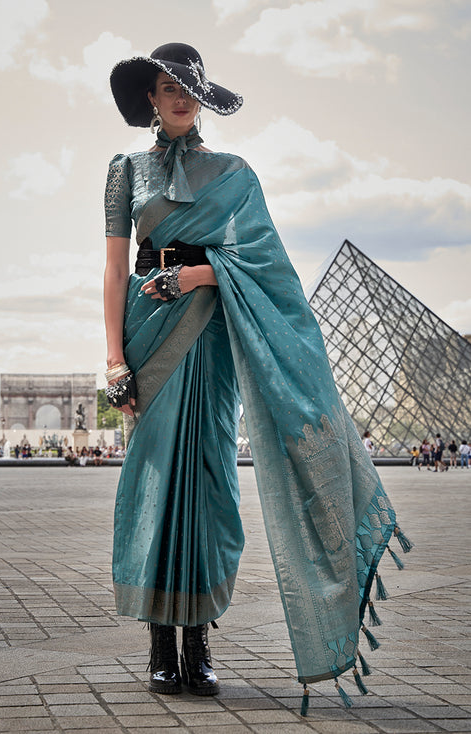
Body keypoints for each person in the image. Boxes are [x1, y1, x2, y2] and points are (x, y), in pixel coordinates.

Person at [103, 43, 408, 711]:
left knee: (209, 484)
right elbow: (112, 268)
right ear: (150, 98)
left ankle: (199, 642)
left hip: (210, 333)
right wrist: (113, 359)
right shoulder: (124, 169)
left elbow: (267, 268)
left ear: (203, 97)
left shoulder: (235, 173)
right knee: (154, 484)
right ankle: (160, 643)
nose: (179, 97)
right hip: (149, 337)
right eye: (166, 86)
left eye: (190, 86)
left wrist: (199, 273)